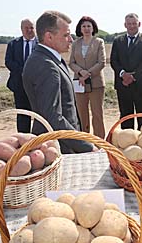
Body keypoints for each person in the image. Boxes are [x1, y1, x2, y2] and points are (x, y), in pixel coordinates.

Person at [22, 11, 94, 153]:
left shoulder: (49, 59)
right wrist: (86, 146)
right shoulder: (46, 65)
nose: (71, 40)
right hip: (59, 147)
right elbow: (53, 116)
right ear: (49, 36)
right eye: (66, 35)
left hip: (63, 142)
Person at [110, 13, 142, 129]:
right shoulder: (117, 41)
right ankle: (127, 142)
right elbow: (114, 61)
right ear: (125, 25)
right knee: (125, 115)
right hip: (122, 85)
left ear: (139, 24)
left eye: (134, 23)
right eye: (129, 24)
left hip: (140, 84)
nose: (132, 26)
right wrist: (123, 74)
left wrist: (132, 77)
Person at [69, 16, 106, 138]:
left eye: (89, 26)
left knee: (97, 113)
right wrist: (81, 72)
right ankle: (84, 140)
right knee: (81, 113)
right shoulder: (75, 43)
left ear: (93, 28)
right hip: (79, 83)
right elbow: (71, 62)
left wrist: (87, 74)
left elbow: (102, 62)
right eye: (83, 26)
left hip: (96, 84)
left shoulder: (99, 42)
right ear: (80, 28)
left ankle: (100, 141)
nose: (86, 29)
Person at [5, 19, 37, 133]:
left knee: (40, 114)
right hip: (19, 85)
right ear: (21, 29)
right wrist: (24, 71)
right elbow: (8, 62)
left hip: (37, 86)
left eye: (31, 28)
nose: (29, 30)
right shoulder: (13, 44)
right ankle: (24, 141)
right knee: (22, 114)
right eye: (26, 28)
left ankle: (39, 140)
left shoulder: (42, 44)